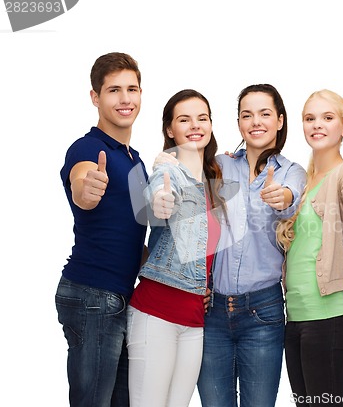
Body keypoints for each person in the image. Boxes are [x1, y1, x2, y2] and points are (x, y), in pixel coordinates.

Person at [196, 84, 307, 407]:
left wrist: (280, 196)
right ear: (239, 123)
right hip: (213, 311)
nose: (255, 122)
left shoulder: (292, 172)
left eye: (265, 114)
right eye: (247, 115)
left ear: (280, 121)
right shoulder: (220, 166)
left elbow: (290, 199)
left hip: (263, 311)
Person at [55, 52, 148, 407]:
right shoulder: (89, 148)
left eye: (132, 89)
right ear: (96, 97)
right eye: (113, 90)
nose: (125, 99)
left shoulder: (134, 159)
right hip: (93, 294)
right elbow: (83, 183)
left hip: (123, 297)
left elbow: (133, 234)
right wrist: (86, 189)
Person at [276, 89, 343, 407]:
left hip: (329, 317)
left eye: (327, 118)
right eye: (310, 118)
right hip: (295, 317)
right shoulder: (302, 181)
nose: (317, 124)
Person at [126, 89, 224, 407]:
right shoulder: (169, 170)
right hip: (157, 314)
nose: (195, 125)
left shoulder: (213, 182)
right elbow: (159, 194)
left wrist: (205, 286)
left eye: (202, 118)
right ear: (170, 129)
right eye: (184, 119)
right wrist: (160, 201)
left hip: (194, 320)